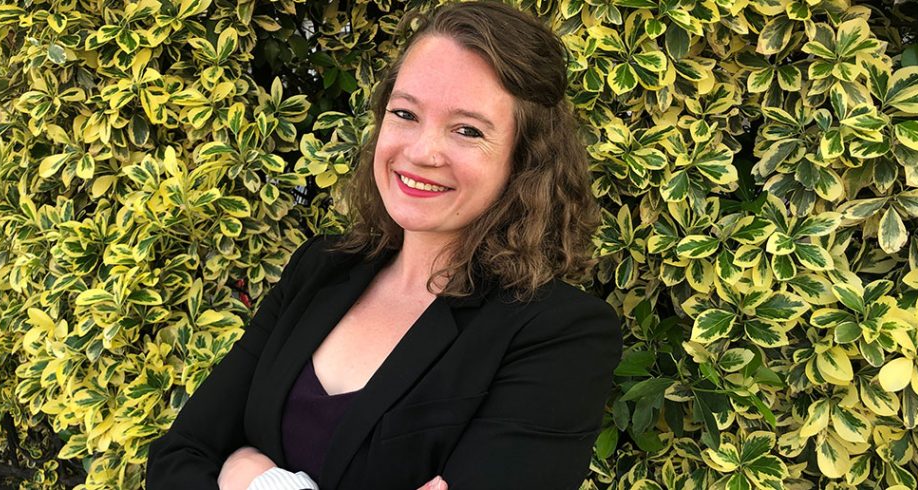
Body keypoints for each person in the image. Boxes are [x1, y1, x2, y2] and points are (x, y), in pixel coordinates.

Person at [145, 2, 622, 489]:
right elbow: (178, 458)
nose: (420, 152)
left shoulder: (558, 335)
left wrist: (254, 477)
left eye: (468, 130)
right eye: (405, 113)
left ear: (524, 159)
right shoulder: (320, 268)